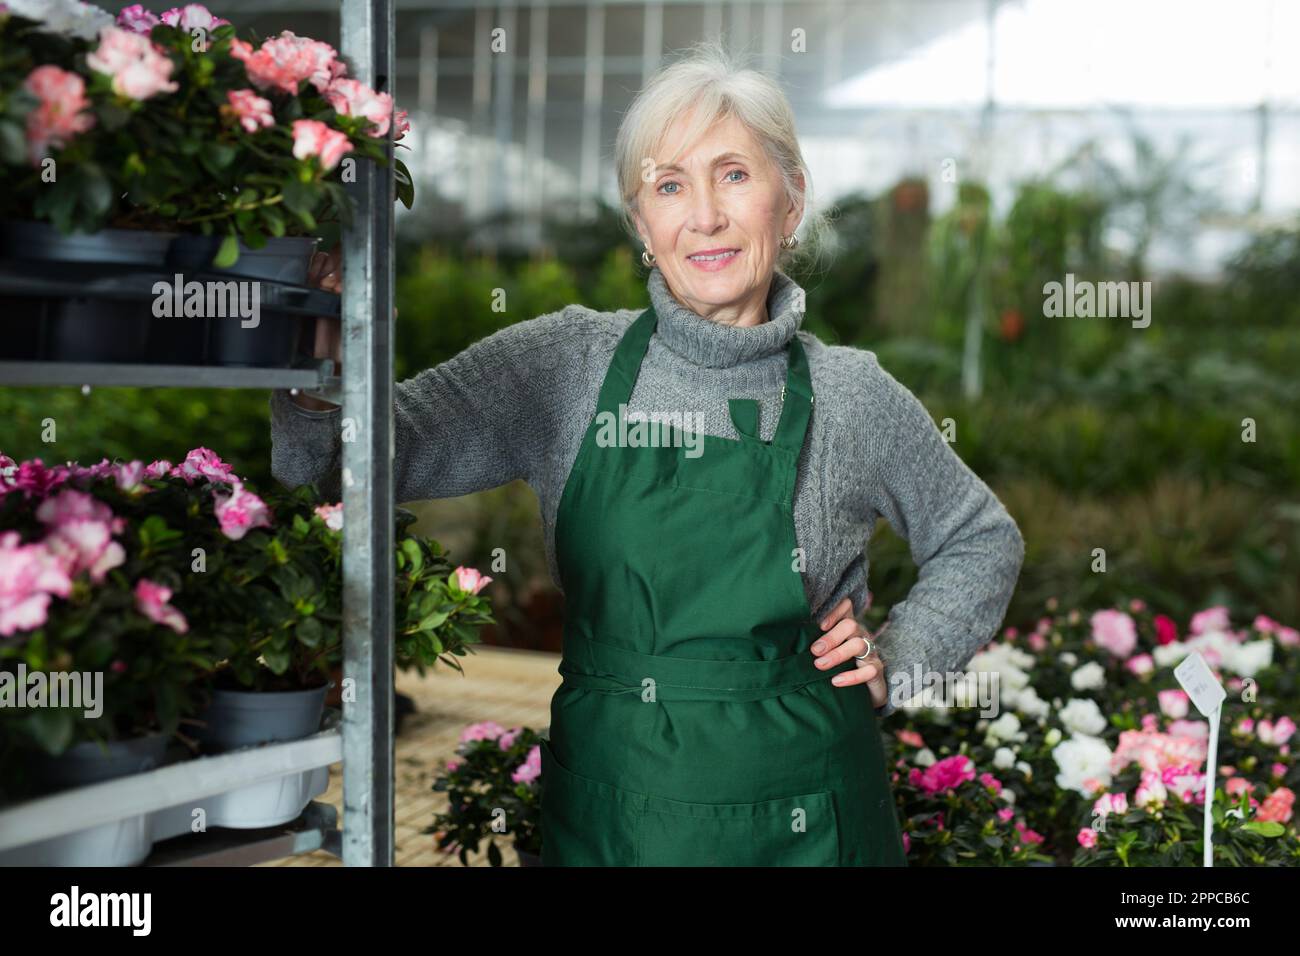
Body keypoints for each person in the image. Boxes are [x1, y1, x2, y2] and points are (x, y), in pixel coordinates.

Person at [270, 39, 1024, 866]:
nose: (704, 215)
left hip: (814, 818)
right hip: (615, 817)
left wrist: (905, 659)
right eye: (670, 185)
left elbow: (980, 537)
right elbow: (353, 469)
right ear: (641, 223)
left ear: (792, 198)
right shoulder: (565, 365)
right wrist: (315, 368)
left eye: (734, 174)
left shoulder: (853, 395)